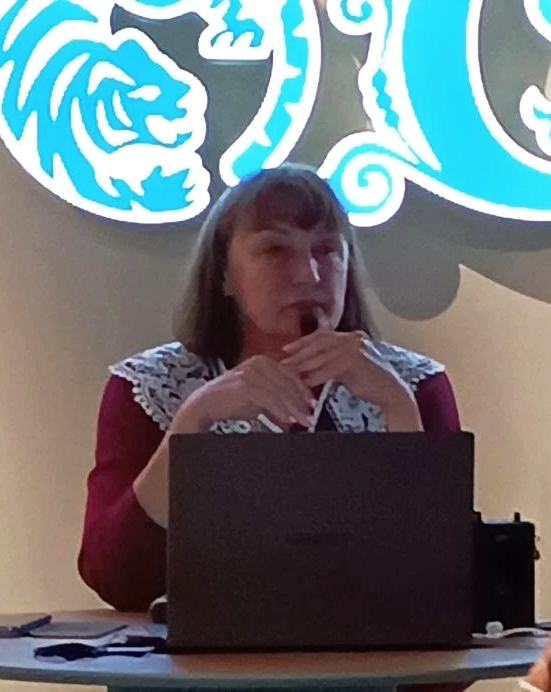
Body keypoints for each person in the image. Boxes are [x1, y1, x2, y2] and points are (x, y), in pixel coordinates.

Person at [78, 163, 461, 614]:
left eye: (327, 250)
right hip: (205, 656)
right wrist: (191, 423)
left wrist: (399, 411)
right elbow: (116, 579)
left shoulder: (415, 385)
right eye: (276, 250)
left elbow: (449, 583)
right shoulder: (148, 386)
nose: (309, 275)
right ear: (224, 275)